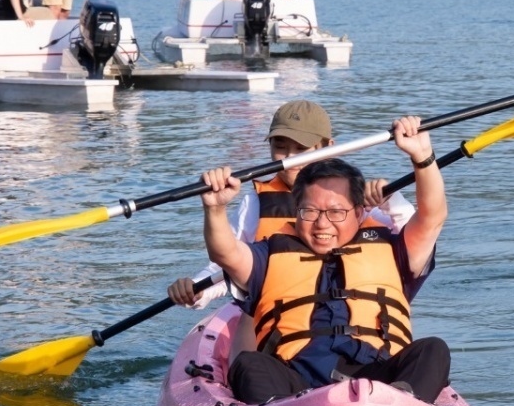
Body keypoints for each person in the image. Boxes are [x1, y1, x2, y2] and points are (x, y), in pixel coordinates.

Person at [189, 116, 449, 406]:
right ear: (296, 210)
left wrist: (422, 157)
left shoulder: (393, 249)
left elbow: (431, 217)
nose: (322, 224)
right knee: (250, 365)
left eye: (336, 212)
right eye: (310, 212)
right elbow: (225, 253)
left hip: (381, 380)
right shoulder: (270, 253)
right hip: (296, 385)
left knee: (433, 350)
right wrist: (215, 209)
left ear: (359, 211)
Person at [168, 100, 415, 309]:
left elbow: (412, 241)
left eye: (301, 149)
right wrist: (199, 291)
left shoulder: (352, 196)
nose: (289, 159)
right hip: (278, 305)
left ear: (328, 148)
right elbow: (227, 260)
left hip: (342, 306)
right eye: (280, 147)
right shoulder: (256, 202)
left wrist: (393, 201)